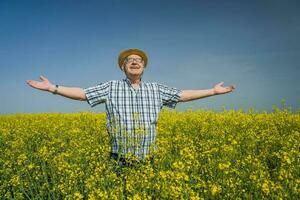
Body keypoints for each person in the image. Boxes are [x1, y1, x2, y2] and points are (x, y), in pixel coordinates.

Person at [26, 48, 235, 165]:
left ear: (143, 67)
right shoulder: (111, 86)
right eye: (129, 60)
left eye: (139, 60)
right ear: (123, 67)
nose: (135, 62)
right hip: (119, 159)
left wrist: (212, 91)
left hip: (149, 158)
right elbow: (83, 94)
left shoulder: (156, 88)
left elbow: (182, 95)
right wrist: (53, 88)